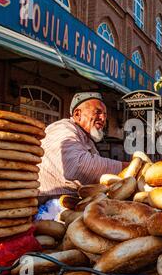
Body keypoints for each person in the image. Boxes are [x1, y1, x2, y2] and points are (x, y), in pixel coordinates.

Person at [37, 92, 128, 220]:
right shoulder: (63, 128)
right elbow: (78, 165)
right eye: (97, 112)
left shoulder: (87, 139)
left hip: (70, 204)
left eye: (105, 115)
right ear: (77, 114)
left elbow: (98, 174)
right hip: (47, 207)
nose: (103, 118)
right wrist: (126, 167)